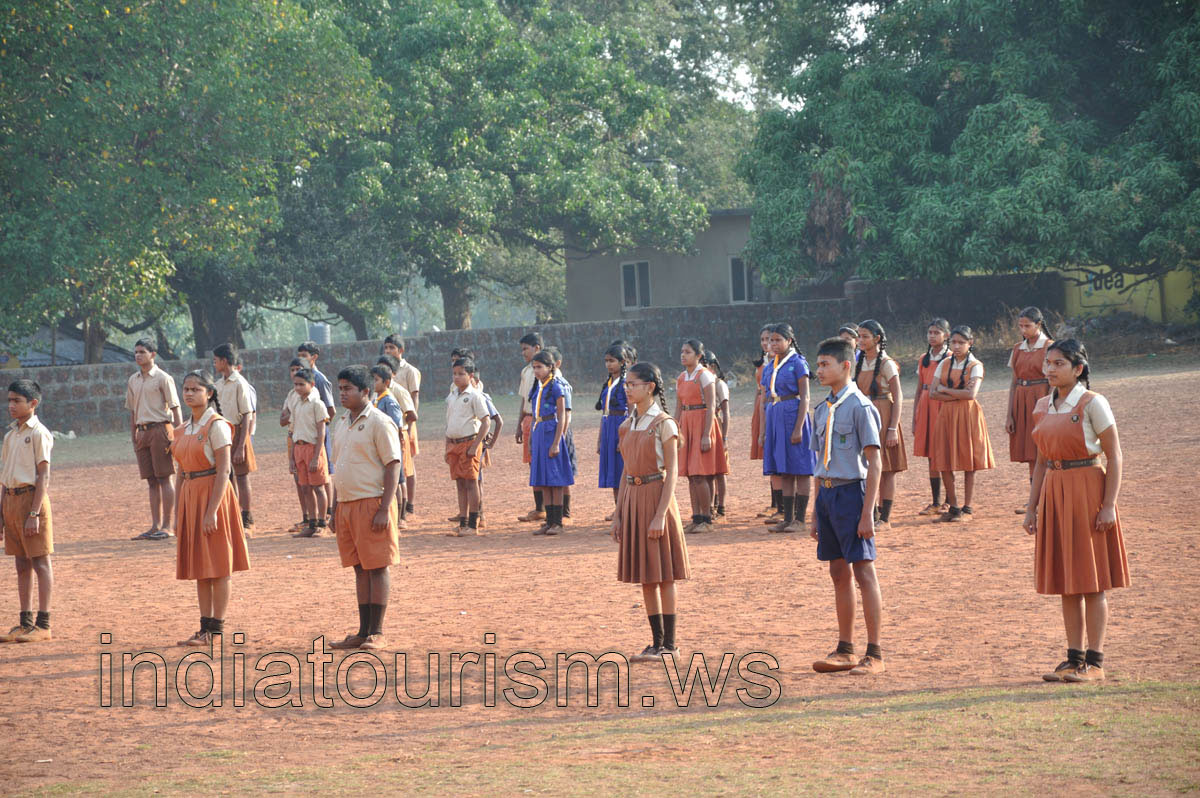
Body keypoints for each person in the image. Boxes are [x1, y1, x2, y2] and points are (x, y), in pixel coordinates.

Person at [1023, 340, 1128, 683]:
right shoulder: (1042, 405)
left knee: (1092, 580)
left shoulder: (1093, 403)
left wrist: (1109, 505)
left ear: (1078, 368)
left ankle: (1095, 662)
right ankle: (1073, 658)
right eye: (1047, 363)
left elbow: (1115, 455)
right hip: (1056, 492)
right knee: (1067, 581)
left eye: (1058, 363)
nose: (1050, 369)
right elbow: (1040, 462)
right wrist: (1031, 507)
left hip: (1087, 491)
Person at [808, 338, 886, 676]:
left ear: (845, 366)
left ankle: (875, 652)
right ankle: (845, 648)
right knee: (837, 572)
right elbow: (818, 463)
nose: (820, 370)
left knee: (863, 571)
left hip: (852, 494)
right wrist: (815, 508)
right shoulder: (822, 408)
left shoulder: (859, 406)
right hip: (827, 495)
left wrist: (869, 511)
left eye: (826, 364)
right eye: (819, 364)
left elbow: (876, 462)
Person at [612, 362, 691, 662]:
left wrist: (660, 514)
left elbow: (671, 472)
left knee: (664, 575)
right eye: (627, 384)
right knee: (646, 576)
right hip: (633, 498)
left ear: (650, 387)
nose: (627, 388)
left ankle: (670, 644)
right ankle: (655, 642)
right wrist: (619, 513)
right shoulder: (627, 424)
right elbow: (625, 471)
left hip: (657, 497)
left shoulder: (664, 423)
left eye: (633, 384)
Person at [327, 366, 404, 651]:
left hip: (372, 502)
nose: (343, 393)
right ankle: (362, 630)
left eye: (348, 389)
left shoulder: (379, 422)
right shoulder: (341, 423)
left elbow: (392, 464)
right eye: (341, 388)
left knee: (377, 566)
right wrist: (335, 508)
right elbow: (341, 468)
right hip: (346, 505)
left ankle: (378, 631)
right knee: (359, 568)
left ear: (366, 392)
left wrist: (385, 507)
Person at [172, 371, 250, 646]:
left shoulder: (216, 425)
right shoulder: (182, 429)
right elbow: (181, 472)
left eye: (195, 389)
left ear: (209, 393)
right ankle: (204, 626)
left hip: (213, 496)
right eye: (186, 388)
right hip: (191, 496)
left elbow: (224, 470)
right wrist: (176, 512)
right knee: (200, 567)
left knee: (218, 565)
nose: (189, 393)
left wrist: (212, 510)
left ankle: (215, 629)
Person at [0, 380, 55, 643]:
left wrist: (34, 513)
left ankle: (43, 623)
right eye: (9, 400)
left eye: (17, 400)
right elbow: (5, 478)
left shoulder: (38, 433)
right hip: (10, 500)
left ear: (33, 403)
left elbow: (43, 474)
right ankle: (25, 622)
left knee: (40, 561)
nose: (11, 405)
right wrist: (2, 513)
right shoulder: (10, 435)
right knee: (21, 562)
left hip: (31, 500)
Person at [928, 325, 995, 522]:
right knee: (944, 460)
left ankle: (968, 508)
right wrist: (958, 395)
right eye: (954, 342)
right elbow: (932, 393)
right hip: (947, 415)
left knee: (969, 461)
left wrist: (945, 390)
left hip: (968, 415)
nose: (956, 346)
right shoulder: (945, 363)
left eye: (961, 343)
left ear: (970, 343)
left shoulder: (976, 366)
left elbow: (971, 395)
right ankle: (954, 507)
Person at [759, 324, 815, 534]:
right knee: (784, 469)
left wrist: (799, 427)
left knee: (799, 468)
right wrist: (764, 430)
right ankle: (788, 517)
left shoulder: (798, 363)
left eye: (777, 340)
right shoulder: (770, 366)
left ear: (789, 341)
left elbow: (805, 396)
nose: (773, 344)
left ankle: (800, 519)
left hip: (792, 414)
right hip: (775, 414)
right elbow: (765, 397)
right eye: (770, 340)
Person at [126, 338, 183, 541]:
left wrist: (179, 434)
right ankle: (154, 525)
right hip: (142, 431)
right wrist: (134, 435)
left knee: (165, 476)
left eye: (142, 351)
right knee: (150, 480)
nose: (138, 355)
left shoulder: (163, 378)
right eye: (136, 352)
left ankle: (168, 525)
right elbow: (132, 411)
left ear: (153, 354)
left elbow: (175, 408)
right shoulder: (133, 380)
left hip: (160, 429)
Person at [854, 320, 907, 530]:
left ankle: (885, 517)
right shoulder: (859, 362)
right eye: (859, 336)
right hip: (864, 414)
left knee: (887, 469)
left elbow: (898, 396)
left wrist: (893, 427)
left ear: (877, 339)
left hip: (883, 416)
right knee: (866, 466)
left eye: (865, 336)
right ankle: (872, 512)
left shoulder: (887, 363)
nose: (860, 340)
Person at [674, 339, 727, 534]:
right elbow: (678, 407)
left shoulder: (705, 376)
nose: (683, 355)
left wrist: (706, 435)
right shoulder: (681, 378)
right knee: (690, 476)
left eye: (687, 352)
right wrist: (675, 429)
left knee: (701, 474)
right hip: (687, 424)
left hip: (702, 423)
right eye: (682, 351)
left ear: (698, 356)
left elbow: (712, 406)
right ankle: (696, 517)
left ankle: (706, 518)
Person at [1007, 307, 1053, 512]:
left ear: (1039, 325)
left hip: (1041, 396)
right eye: (1021, 326)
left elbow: (1053, 380)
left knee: (1042, 448)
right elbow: (1013, 382)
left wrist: (1051, 406)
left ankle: (1047, 497)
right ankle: (1034, 499)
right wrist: (1010, 414)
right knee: (1029, 451)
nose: (1023, 329)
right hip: (1021, 399)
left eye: (1028, 325)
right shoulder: (1018, 348)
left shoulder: (1050, 347)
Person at [443, 358, 492, 537]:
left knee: (471, 483)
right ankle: (462, 522)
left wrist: (476, 445)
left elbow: (486, 422)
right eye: (454, 374)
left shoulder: (475, 396)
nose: (457, 377)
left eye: (461, 374)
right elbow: (448, 422)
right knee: (460, 483)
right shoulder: (452, 396)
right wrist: (446, 446)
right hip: (453, 444)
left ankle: (473, 524)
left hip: (469, 442)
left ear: (471, 376)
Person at [212, 344, 257, 534]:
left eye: (215, 360)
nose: (214, 364)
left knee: (242, 476)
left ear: (224, 360)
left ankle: (247, 517)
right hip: (222, 431)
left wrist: (241, 445)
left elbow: (247, 414)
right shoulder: (217, 385)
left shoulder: (240, 383)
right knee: (226, 476)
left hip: (238, 431)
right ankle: (233, 515)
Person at [528, 350, 573, 536]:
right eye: (534, 367)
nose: (536, 371)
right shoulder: (538, 386)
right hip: (539, 431)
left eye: (540, 367)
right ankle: (548, 521)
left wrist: (556, 442)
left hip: (551, 430)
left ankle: (558, 522)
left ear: (550, 367)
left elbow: (562, 416)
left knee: (555, 480)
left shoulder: (557, 386)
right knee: (544, 480)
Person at [912, 319, 951, 516]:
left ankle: (949, 501)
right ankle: (936, 501)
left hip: (942, 404)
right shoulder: (923, 359)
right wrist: (915, 416)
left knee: (944, 452)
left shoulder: (951, 357)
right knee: (930, 455)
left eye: (937, 332)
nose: (932, 336)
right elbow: (919, 388)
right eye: (930, 332)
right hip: (926, 404)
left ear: (946, 335)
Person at [297, 341, 338, 521]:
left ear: (314, 357)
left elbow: (331, 409)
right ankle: (313, 517)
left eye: (304, 355)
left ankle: (327, 512)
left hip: (320, 432)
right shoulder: (300, 378)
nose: (301, 359)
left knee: (323, 473)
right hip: (304, 434)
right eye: (299, 355)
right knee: (308, 481)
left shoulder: (319, 379)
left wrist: (320, 425)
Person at [289, 368, 331, 538]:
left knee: (318, 487)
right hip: (298, 448)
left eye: (301, 384)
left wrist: (316, 456)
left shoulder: (317, 404)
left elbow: (322, 432)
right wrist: (292, 457)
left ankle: (322, 523)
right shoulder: (296, 403)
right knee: (305, 487)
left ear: (312, 384)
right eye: (295, 384)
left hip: (313, 448)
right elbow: (293, 431)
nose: (297, 388)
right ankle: (311, 523)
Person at [383, 334, 421, 516]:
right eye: (386, 348)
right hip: (388, 427)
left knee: (407, 466)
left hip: (404, 425)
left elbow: (413, 397)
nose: (388, 351)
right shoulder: (382, 371)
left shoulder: (409, 371)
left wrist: (411, 427)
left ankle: (409, 504)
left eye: (392, 348)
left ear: (400, 350)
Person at [376, 354, 418, 522]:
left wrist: (403, 432)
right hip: (382, 439)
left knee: (400, 476)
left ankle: (402, 514)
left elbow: (411, 414)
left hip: (396, 438)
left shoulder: (397, 392)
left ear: (392, 374)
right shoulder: (377, 393)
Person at [368, 363, 409, 528]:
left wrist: (398, 445)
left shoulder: (389, 400)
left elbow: (397, 425)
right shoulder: (375, 399)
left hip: (391, 445)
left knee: (397, 482)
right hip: (380, 445)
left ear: (386, 382)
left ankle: (400, 516)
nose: (373, 383)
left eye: (376, 380)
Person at [515, 332, 545, 522]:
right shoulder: (526, 371)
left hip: (542, 419)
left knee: (546, 463)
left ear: (537, 348)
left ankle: (560, 510)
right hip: (528, 418)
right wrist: (519, 424)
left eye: (526, 348)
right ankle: (539, 507)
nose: (523, 352)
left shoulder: (547, 371)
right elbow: (524, 399)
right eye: (522, 349)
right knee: (532, 464)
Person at [596, 343, 629, 516]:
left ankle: (626, 510)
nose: (608, 364)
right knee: (614, 473)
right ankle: (619, 509)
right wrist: (600, 438)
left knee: (622, 470)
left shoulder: (625, 383)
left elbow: (631, 411)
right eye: (606, 361)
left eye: (612, 361)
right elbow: (604, 412)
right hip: (609, 426)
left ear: (623, 362)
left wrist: (625, 437)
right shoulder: (609, 383)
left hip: (620, 426)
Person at [280, 356, 312, 533]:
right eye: (292, 370)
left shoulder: (312, 396)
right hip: (293, 437)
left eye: (298, 369)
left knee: (314, 481)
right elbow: (282, 419)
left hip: (309, 440)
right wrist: (290, 416)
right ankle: (306, 516)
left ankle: (319, 518)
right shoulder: (291, 395)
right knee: (298, 479)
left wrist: (290, 416)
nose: (294, 373)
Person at [701, 350, 730, 520]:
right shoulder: (702, 383)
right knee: (708, 471)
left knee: (720, 471)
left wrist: (724, 437)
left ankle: (722, 507)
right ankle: (709, 506)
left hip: (717, 426)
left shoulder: (719, 384)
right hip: (706, 426)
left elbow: (726, 413)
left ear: (711, 366)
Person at [473, 367, 503, 530]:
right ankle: (474, 513)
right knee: (469, 480)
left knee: (476, 481)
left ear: (476, 382)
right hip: (463, 443)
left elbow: (498, 421)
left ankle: (480, 514)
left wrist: (490, 444)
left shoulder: (482, 398)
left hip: (477, 444)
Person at [751, 325, 776, 520]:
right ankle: (774, 502)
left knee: (777, 453)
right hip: (761, 405)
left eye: (770, 339)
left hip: (773, 405)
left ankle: (780, 504)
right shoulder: (762, 364)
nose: (766, 343)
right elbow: (758, 389)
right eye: (763, 340)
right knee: (768, 455)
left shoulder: (777, 362)